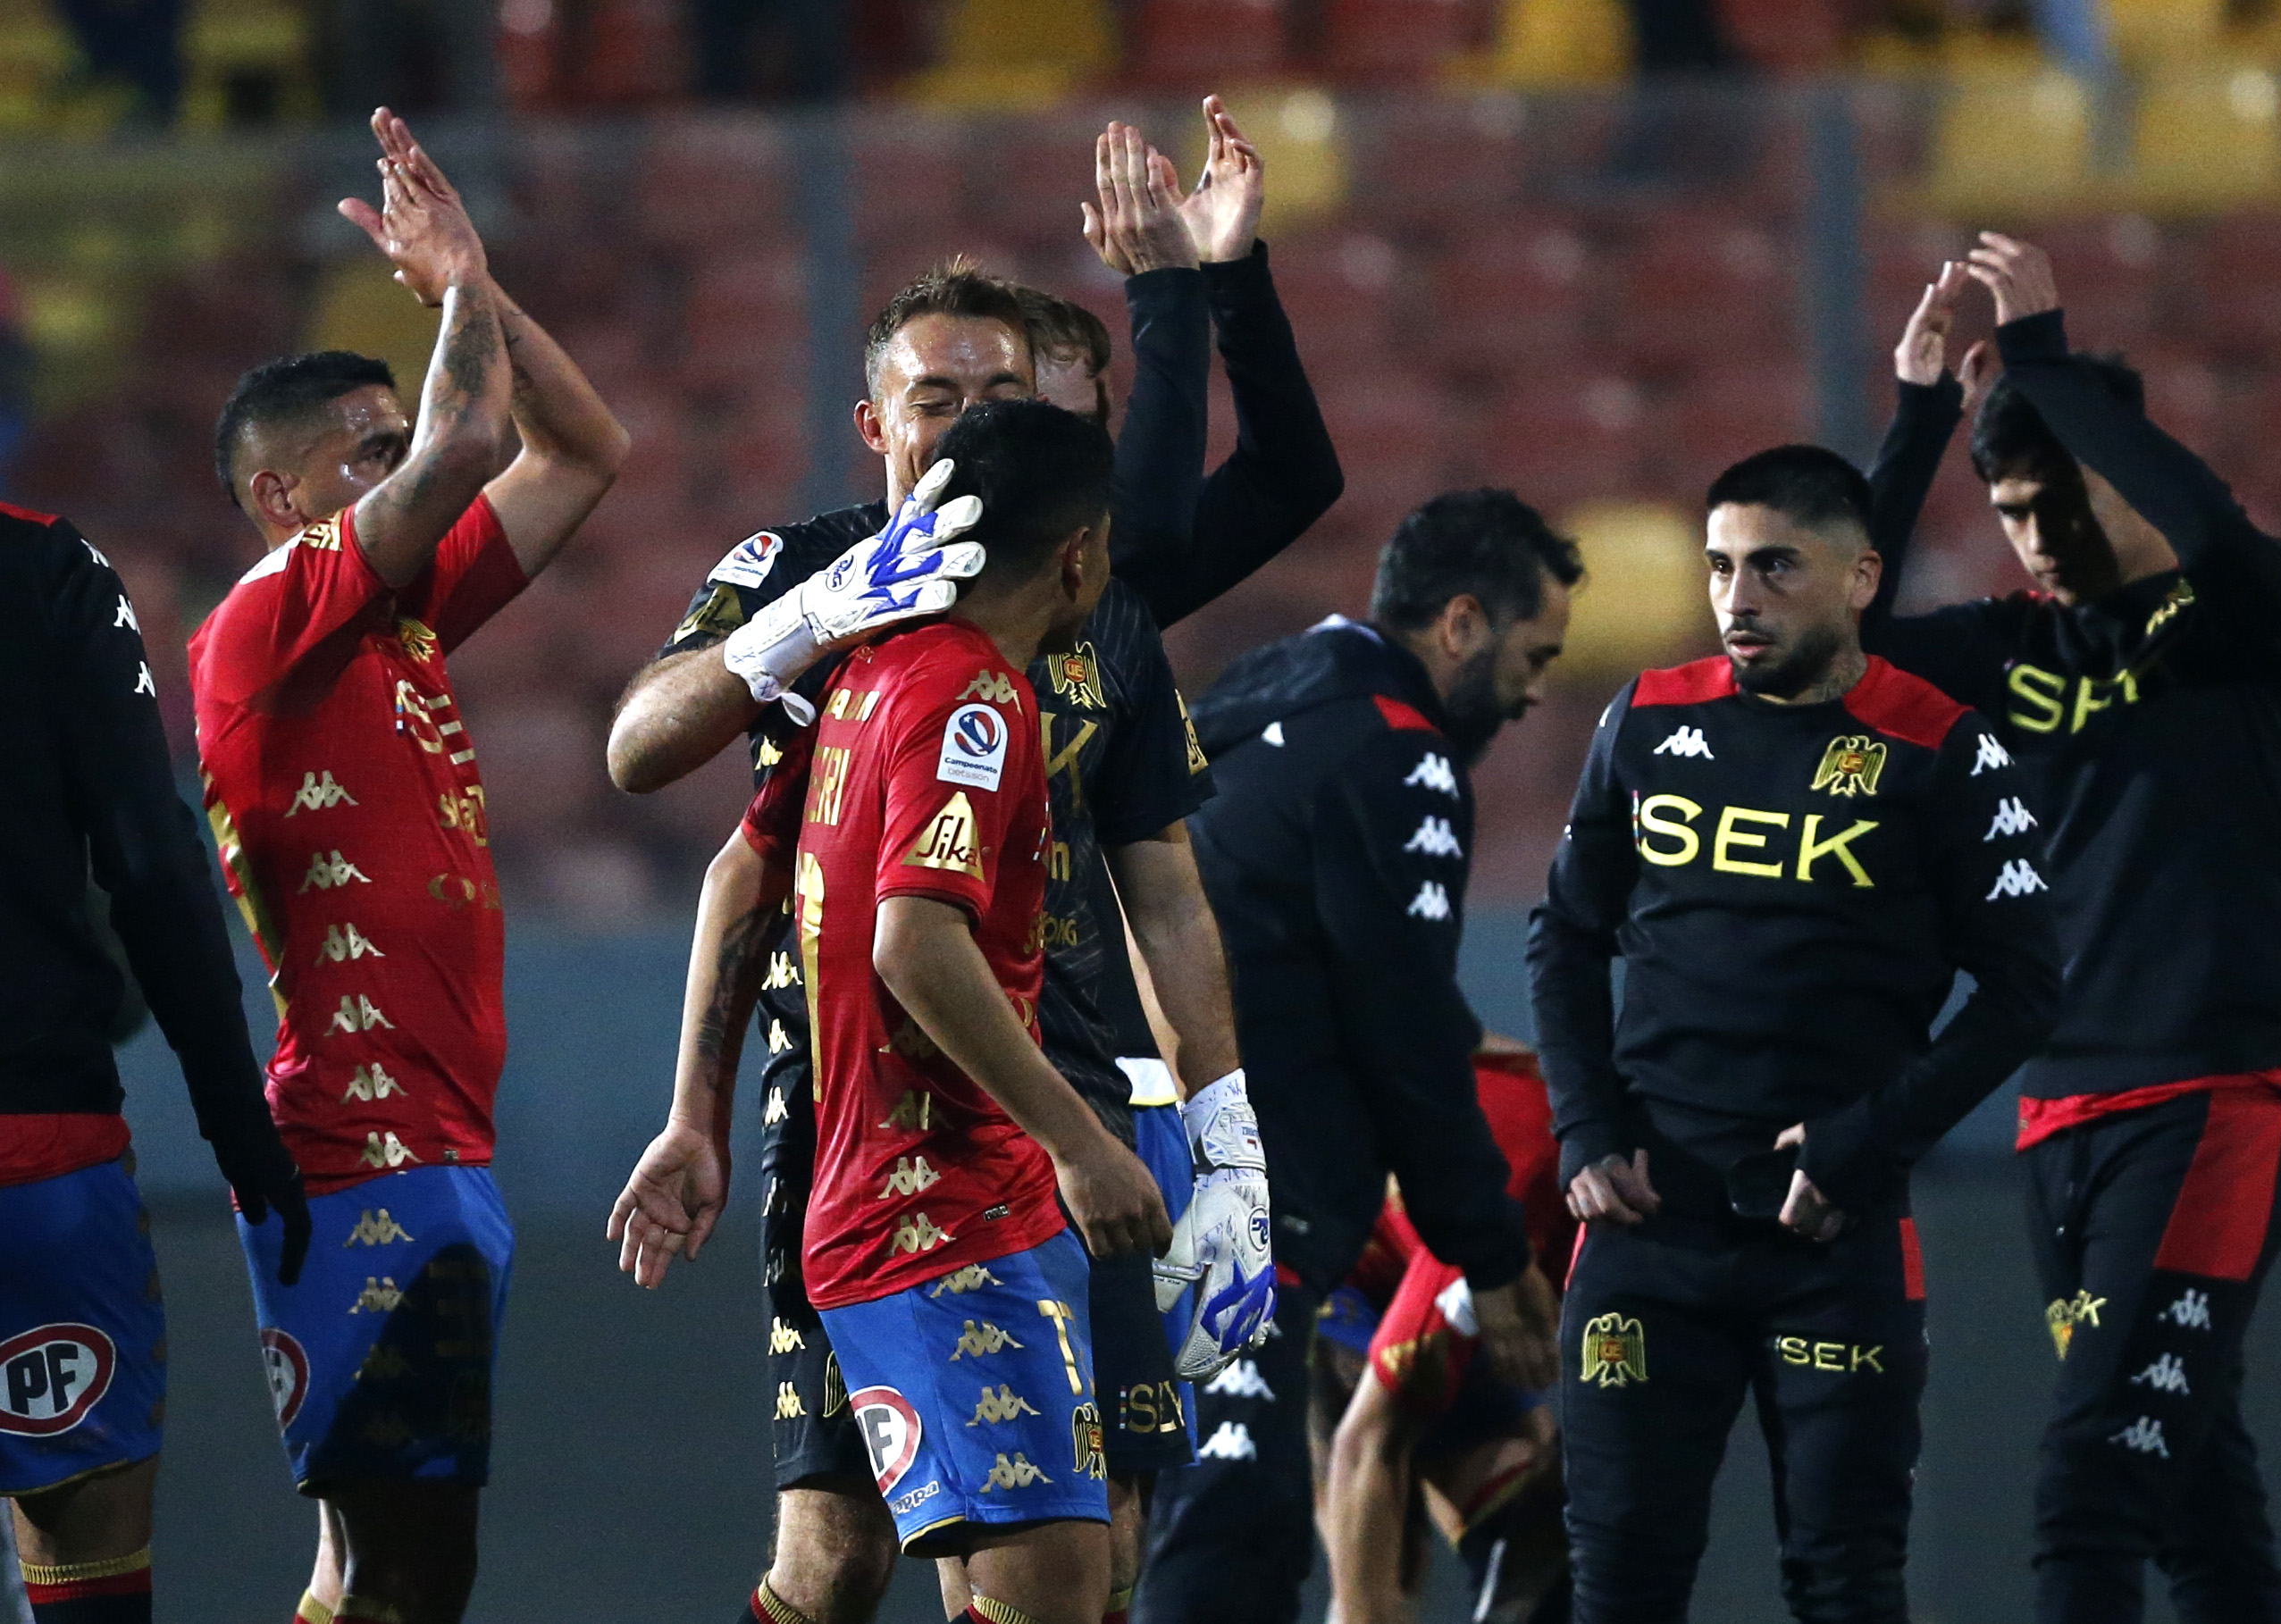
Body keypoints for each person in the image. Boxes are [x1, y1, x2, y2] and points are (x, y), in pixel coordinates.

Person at [605, 100, 1341, 1624]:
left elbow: (1158, 873)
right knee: (843, 1549)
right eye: (930, 398)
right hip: (864, 1110)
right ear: (873, 422)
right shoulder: (805, 582)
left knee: (1097, 1540)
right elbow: (655, 764)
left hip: (1070, 1082)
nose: (962, 424)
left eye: (995, 392)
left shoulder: (1092, 598)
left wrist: (1220, 1125)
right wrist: (694, 1107)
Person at [186, 110, 626, 1624]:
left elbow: (587, 449)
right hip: (361, 1151)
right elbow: (473, 440)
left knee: (369, 1573)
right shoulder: (260, 625)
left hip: (440, 1147)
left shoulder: (398, 619)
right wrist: (452, 291)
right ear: (282, 498)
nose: (404, 468)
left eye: (392, 440)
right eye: (361, 455)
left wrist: (480, 295)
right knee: (409, 1577)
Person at [1862, 237, 2281, 1624]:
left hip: (2204, 1102)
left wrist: (2052, 363)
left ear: (2120, 474)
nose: (2037, 538)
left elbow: (2208, 529)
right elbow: (1851, 631)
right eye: (2009, 511)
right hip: (2055, 1117)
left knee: (2089, 1488)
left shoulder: (2253, 613)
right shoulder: (2012, 649)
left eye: (2063, 499)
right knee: (2201, 1511)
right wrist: (1911, 419)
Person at [1526, 446, 2063, 1621]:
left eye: (1772, 565)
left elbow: (2028, 987)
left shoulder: (1942, 747)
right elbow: (1564, 936)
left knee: (1843, 1581)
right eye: (1719, 565)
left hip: (1828, 1240)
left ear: (1860, 576)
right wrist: (1583, 1132)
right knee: (1614, 1581)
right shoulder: (1647, 715)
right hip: (1643, 1229)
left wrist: (1860, 1145)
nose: (1736, 596)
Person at [683, 398, 1164, 1624]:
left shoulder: (867, 675)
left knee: (1021, 1586)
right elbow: (915, 940)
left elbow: (750, 862)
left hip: (905, 1209)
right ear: (1079, 554)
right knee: (1065, 1584)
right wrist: (1081, 1139)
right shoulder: (976, 700)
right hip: (940, 1214)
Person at [1140, 490, 1574, 1624]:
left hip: (1125, 1157)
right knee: (1232, 1528)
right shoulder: (1401, 756)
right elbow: (1404, 1024)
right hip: (1240, 1192)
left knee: (1120, 1524)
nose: (1535, 694)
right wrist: (1487, 1251)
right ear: (1463, 623)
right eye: (1534, 655)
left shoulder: (1253, 695)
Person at [0, 497, 310, 1624]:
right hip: (33, 1151)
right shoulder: (46, 565)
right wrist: (236, 1119)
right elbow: (149, 858)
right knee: (85, 1569)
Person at [1318, 1050, 1576, 1624]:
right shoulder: (1502, 1199)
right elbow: (1366, 1442)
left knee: (1540, 1514)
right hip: (1339, 1270)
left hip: (1456, 1242)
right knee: (1379, 1471)